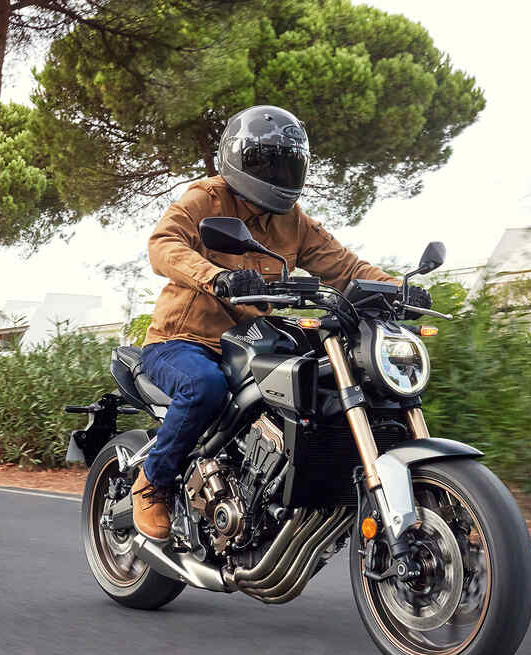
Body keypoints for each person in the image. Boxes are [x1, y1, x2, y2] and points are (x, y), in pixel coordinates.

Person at [132, 105, 431, 541]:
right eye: (266, 161)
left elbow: (344, 267)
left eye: (286, 162)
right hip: (183, 341)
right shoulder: (207, 199)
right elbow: (164, 244)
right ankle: (153, 483)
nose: (278, 171)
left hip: (249, 340)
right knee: (204, 388)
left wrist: (396, 289)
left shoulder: (294, 222)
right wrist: (217, 277)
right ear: (238, 158)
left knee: (313, 385)